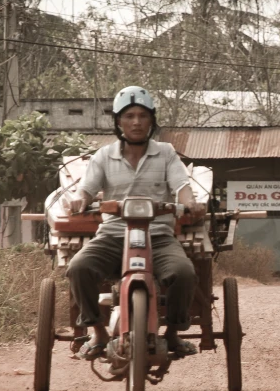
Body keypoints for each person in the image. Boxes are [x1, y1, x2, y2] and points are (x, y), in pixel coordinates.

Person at [65, 86, 205, 359]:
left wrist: (190, 202)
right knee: (78, 267)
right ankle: (98, 332)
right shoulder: (103, 156)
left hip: (159, 236)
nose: (137, 122)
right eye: (129, 116)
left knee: (185, 273)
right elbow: (86, 189)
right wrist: (79, 199)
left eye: (143, 115)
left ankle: (174, 335)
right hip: (113, 235)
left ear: (151, 120)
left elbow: (182, 187)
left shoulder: (165, 152)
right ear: (119, 121)